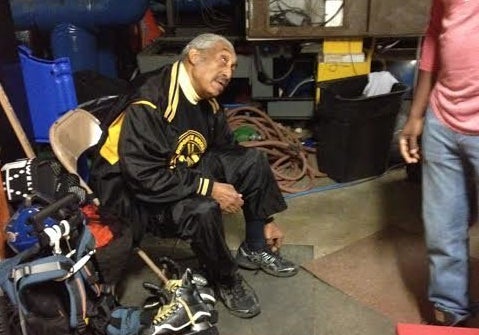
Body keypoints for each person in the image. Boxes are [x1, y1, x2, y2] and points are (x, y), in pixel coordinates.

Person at [90, 33, 298, 319]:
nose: (228, 72)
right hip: (131, 197)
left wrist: (265, 218)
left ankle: (255, 245)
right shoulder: (149, 102)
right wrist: (208, 188)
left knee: (251, 159)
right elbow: (144, 177)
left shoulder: (207, 102)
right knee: (203, 209)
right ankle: (225, 279)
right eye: (223, 60)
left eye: (234, 67)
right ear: (194, 57)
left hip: (172, 171)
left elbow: (229, 153)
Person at [399, 0, 479, 326]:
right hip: (442, 119)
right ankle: (451, 315)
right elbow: (434, 36)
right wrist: (416, 115)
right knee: (443, 231)